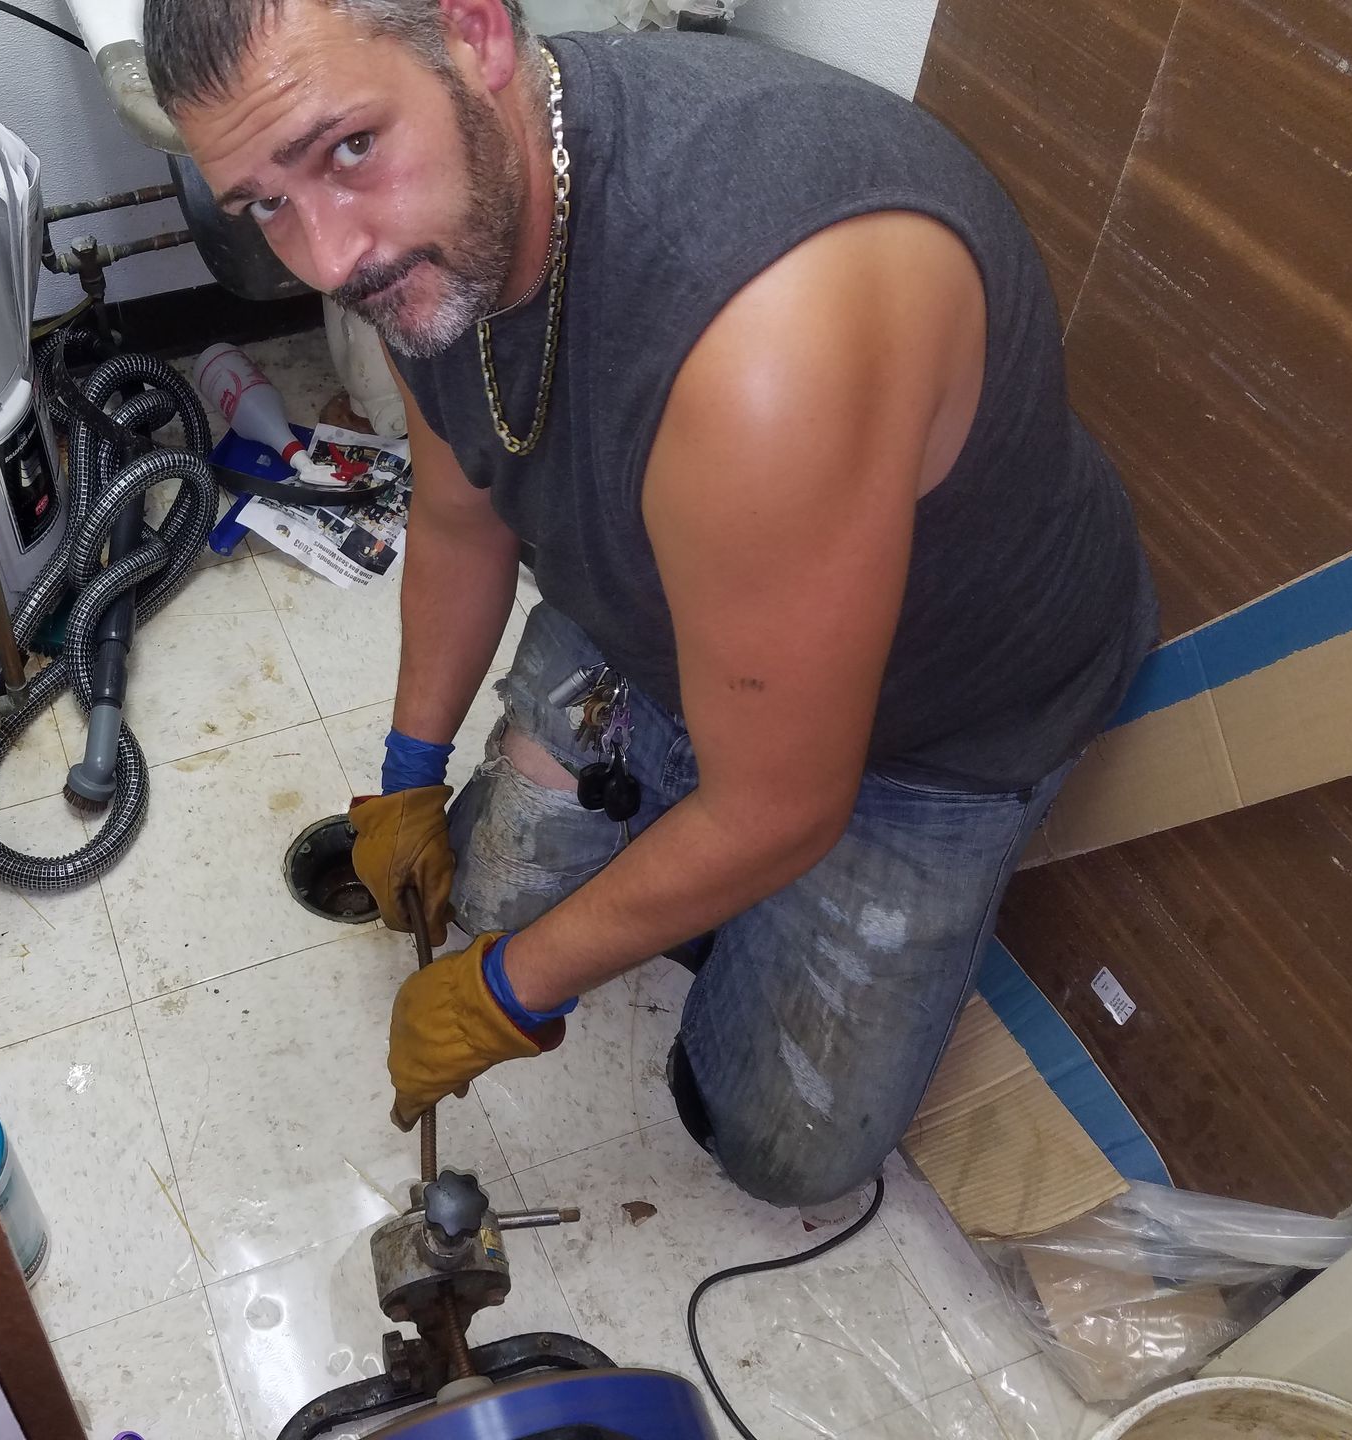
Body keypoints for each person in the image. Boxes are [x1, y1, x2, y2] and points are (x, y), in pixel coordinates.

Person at [142, 0, 1156, 1206]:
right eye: (266, 201)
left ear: (475, 32)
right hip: (667, 616)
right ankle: (684, 835)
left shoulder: (763, 335)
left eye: (348, 147)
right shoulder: (435, 236)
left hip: (931, 719)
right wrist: (407, 773)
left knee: (777, 1145)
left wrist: (507, 995)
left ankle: (729, 875)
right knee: (492, 897)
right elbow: (462, 514)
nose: (328, 257)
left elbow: (780, 806)